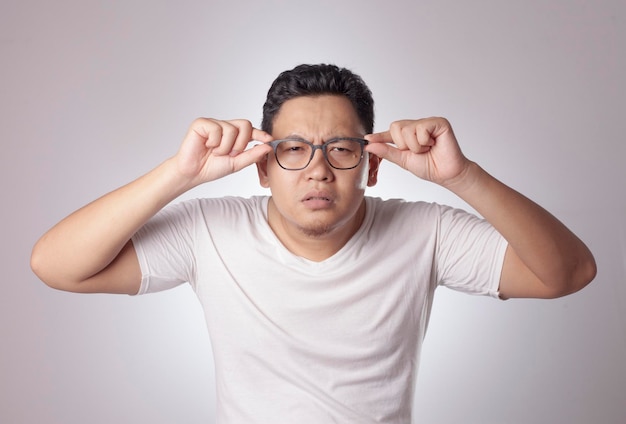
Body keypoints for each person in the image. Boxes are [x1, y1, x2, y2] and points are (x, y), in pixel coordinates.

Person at [31, 64, 596, 423]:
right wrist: (179, 176)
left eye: (342, 150)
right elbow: (55, 265)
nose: (318, 171)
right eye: (294, 149)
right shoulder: (210, 228)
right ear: (263, 169)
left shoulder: (425, 231)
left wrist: (462, 177)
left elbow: (568, 273)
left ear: (371, 168)